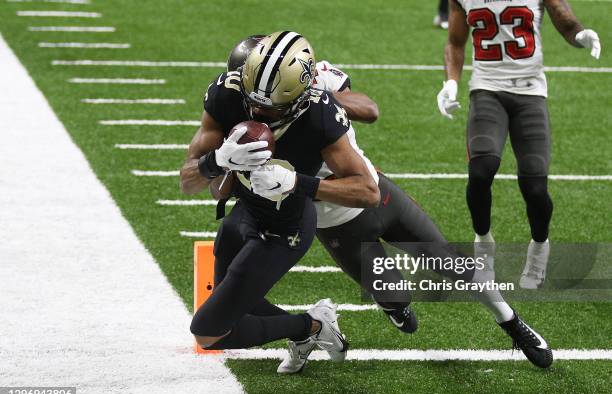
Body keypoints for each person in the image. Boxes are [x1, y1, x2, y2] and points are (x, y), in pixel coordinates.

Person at [224, 35, 554, 373]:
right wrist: (223, 164)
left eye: (268, 98)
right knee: (396, 298)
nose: (257, 108)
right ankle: (395, 307)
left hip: (377, 195)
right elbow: (224, 188)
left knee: (452, 263)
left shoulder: (315, 96)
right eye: (248, 93)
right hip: (337, 224)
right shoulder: (238, 123)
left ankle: (512, 322)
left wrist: (321, 101)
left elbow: (368, 110)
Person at [181, 31, 381, 367]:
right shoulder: (226, 94)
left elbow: (368, 191)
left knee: (209, 331)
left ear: (300, 98)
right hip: (244, 214)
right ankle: (313, 327)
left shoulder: (318, 114)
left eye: (268, 108)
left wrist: (296, 182)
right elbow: (189, 183)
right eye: (251, 101)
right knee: (237, 303)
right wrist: (217, 162)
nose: (256, 112)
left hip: (287, 227)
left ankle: (312, 325)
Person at [437, 0, 601, 289]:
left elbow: (562, 17)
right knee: (480, 171)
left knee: (535, 185)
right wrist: (450, 82)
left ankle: (539, 247)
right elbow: (455, 41)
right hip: (487, 90)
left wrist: (579, 34)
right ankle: (483, 243)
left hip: (530, 93)